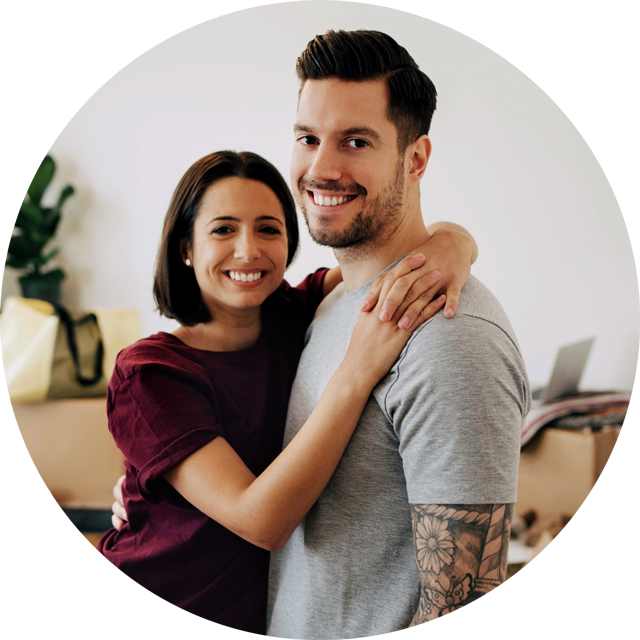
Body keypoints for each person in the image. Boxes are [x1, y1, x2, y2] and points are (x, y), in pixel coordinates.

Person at [68, 150, 477, 640]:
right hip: (135, 626)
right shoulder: (150, 373)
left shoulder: (292, 313)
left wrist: (457, 243)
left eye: (268, 228)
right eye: (222, 229)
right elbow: (262, 522)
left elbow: (397, 259)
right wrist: (357, 371)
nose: (248, 251)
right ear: (186, 248)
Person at [263, 30, 531, 640]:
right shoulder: (330, 301)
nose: (321, 167)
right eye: (308, 138)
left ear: (416, 159)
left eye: (356, 141)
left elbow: (464, 622)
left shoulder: (451, 339)